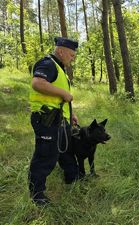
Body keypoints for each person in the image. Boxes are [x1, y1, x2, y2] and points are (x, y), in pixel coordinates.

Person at [28, 37, 79, 205]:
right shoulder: (48, 64)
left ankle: (72, 177)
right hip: (46, 119)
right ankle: (37, 194)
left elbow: (58, 98)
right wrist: (64, 94)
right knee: (45, 156)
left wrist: (70, 114)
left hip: (58, 118)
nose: (73, 58)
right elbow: (37, 83)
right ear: (61, 51)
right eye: (71, 55)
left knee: (62, 151)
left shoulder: (59, 69)